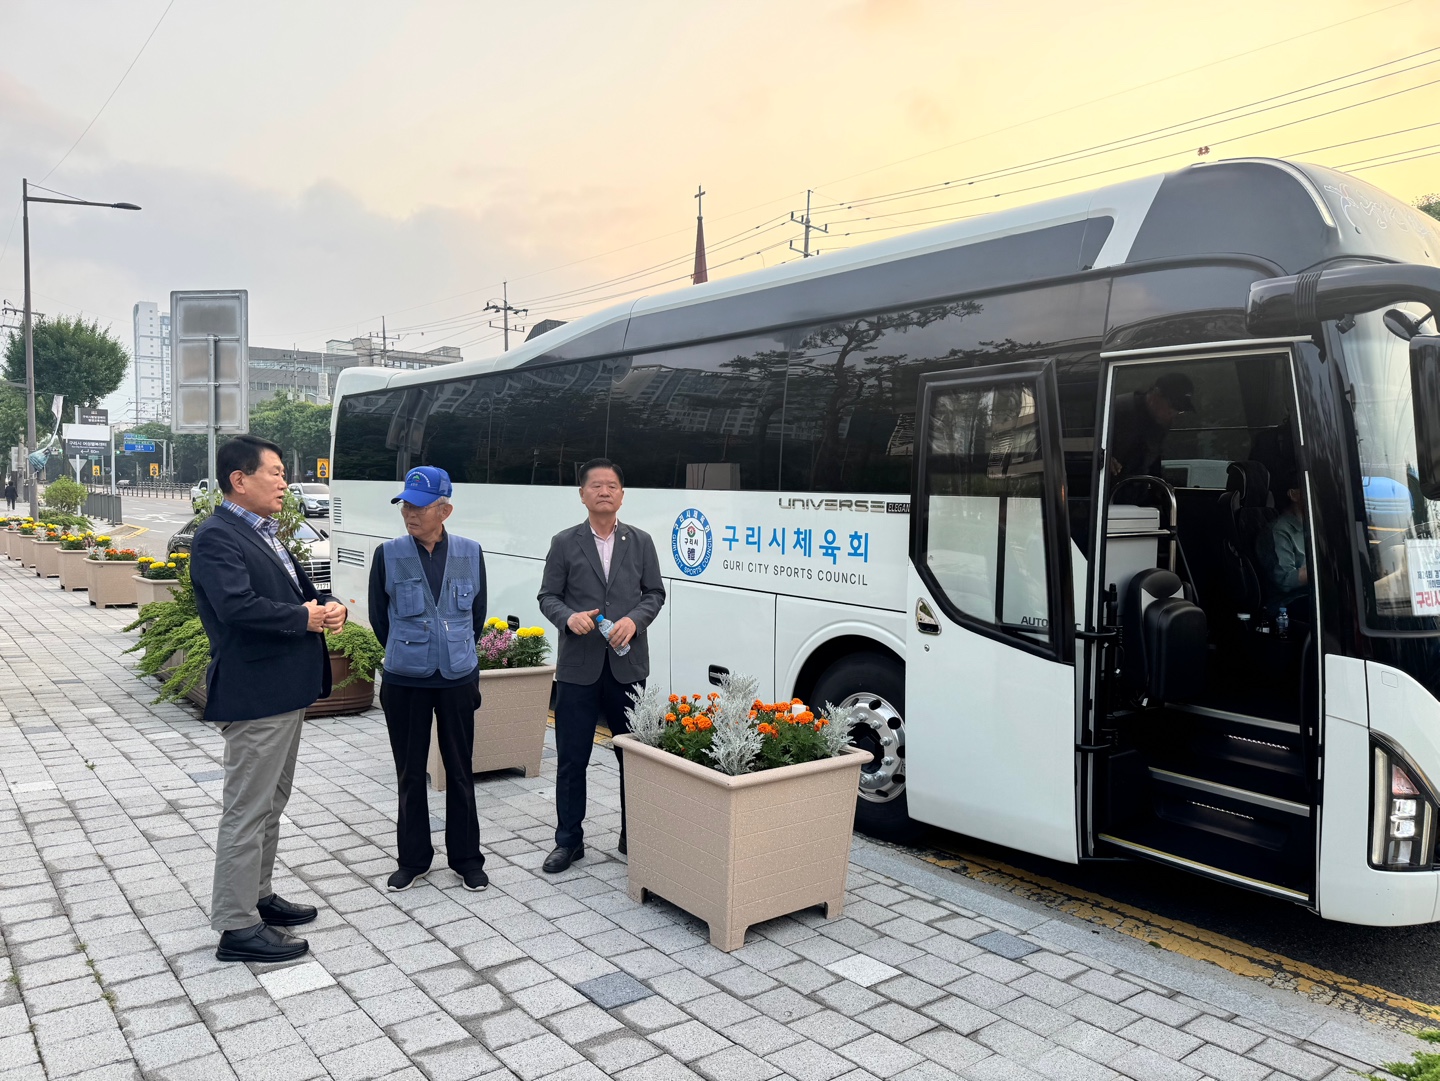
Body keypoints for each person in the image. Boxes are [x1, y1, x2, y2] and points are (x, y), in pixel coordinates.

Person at [190, 434, 347, 963]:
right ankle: (237, 926)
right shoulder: (217, 536)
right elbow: (236, 607)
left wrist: (327, 606)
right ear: (239, 479)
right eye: (275, 473)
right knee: (247, 809)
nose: (285, 483)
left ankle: (256, 896)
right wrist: (304, 618)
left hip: (284, 690)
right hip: (255, 694)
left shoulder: (264, 531)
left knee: (270, 805)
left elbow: (300, 594)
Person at [537, 458, 666, 873]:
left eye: (612, 485)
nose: (604, 491)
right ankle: (568, 842)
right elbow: (547, 596)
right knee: (572, 758)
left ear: (622, 495)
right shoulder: (564, 542)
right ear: (582, 494)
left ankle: (634, 836)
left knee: (634, 757)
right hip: (579, 667)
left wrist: (634, 621)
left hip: (628, 668)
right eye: (596, 485)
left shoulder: (641, 541)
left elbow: (655, 593)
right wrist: (567, 617)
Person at [368, 466, 490, 893]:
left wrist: (453, 648)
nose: (410, 514)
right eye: (405, 505)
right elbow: (380, 619)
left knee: (460, 770)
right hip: (405, 679)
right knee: (409, 773)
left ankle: (467, 860)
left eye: (419, 507)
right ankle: (413, 860)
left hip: (457, 677)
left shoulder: (471, 552)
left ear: (445, 511)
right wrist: (412, 649)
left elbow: (476, 616)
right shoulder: (387, 554)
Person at [1109, 372, 1195, 480]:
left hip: (1136, 487)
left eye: (1179, 410)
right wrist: (1106, 458)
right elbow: (1090, 444)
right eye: (1172, 405)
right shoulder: (1115, 410)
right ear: (1156, 394)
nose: (1173, 413)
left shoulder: (1160, 425)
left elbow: (1153, 462)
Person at [1259, 473, 1310, 613]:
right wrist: (1323, 568)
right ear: (1294, 495)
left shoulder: (1312, 527)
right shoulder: (1279, 531)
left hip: (1310, 595)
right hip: (1288, 604)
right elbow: (1285, 580)